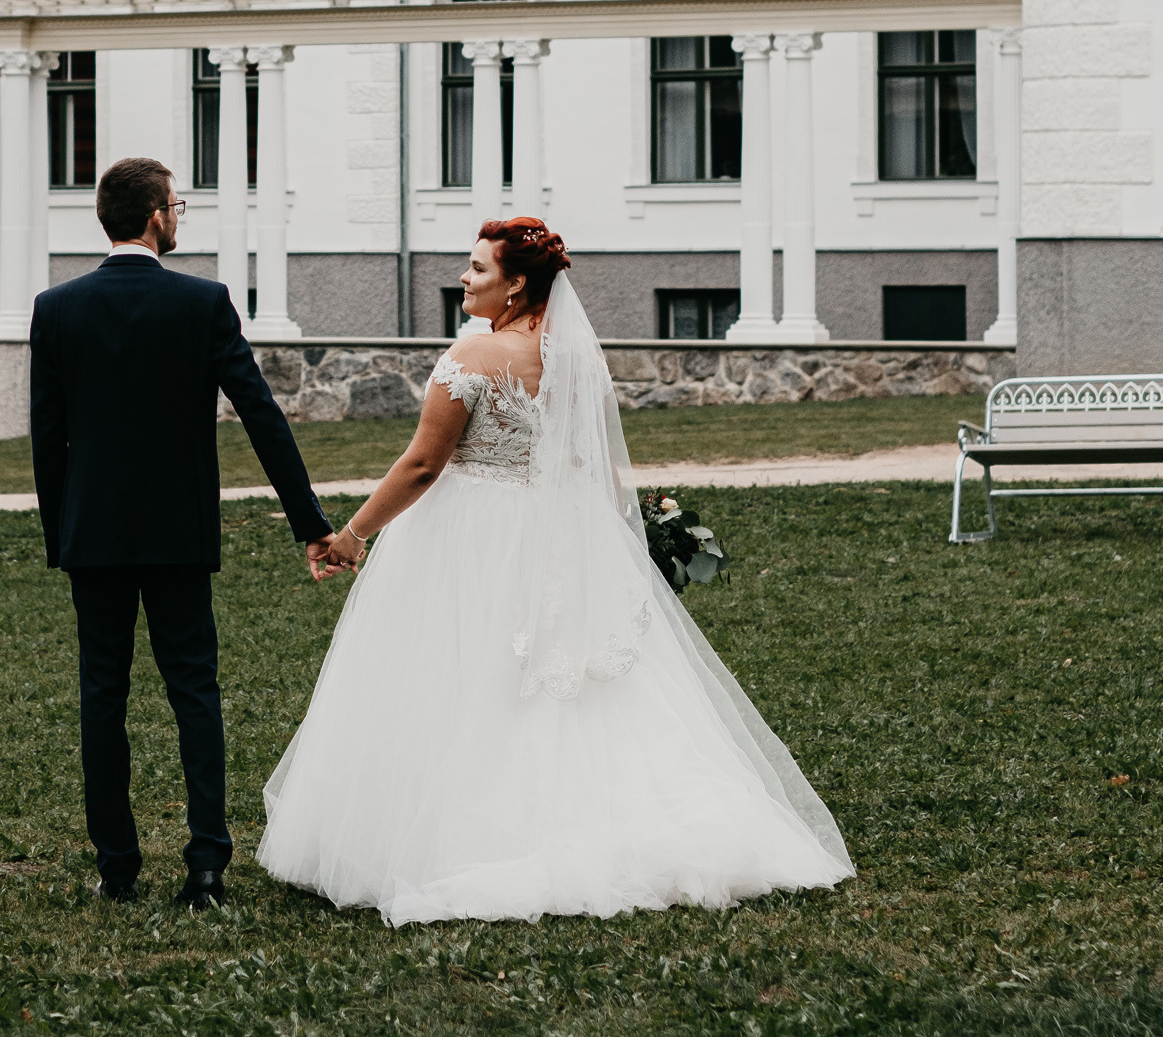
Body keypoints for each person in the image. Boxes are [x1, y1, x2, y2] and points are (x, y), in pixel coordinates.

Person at [260, 218, 854, 925]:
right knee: (569, 686)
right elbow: (598, 473)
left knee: (466, 678)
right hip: (562, 537)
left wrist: (354, 534)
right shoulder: (576, 358)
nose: (463, 276)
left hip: (471, 537)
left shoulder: (473, 353)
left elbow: (423, 463)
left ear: (515, 282)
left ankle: (456, 840)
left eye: (476, 267)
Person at [30, 155, 342, 909]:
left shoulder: (56, 308)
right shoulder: (203, 303)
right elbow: (261, 415)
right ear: (154, 217)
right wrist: (311, 522)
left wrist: (60, 535)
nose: (180, 216)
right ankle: (206, 866)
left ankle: (118, 868)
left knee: (101, 695)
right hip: (179, 530)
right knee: (194, 691)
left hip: (93, 535)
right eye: (176, 204)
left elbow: (48, 438)